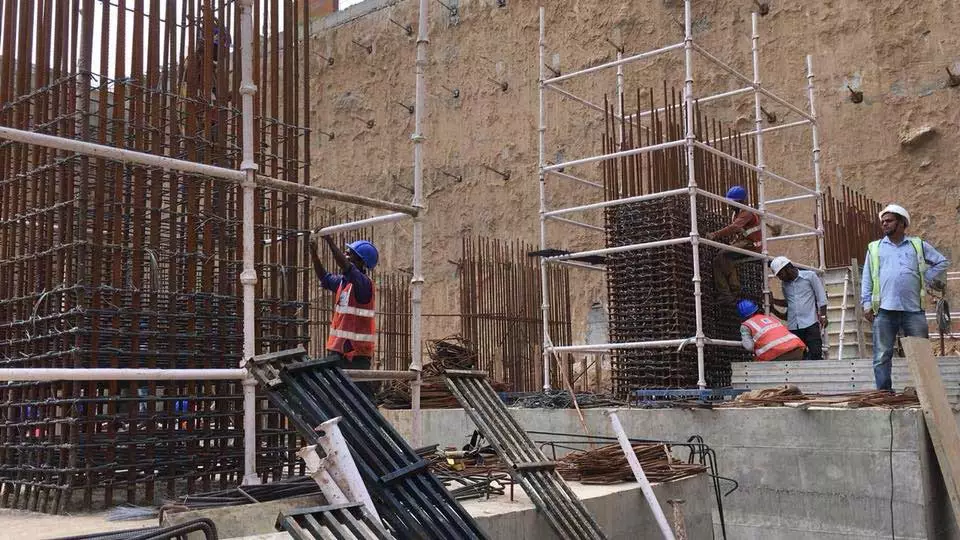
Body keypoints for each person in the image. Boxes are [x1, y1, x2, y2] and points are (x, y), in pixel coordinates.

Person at [861, 204, 949, 391]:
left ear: (902, 223)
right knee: (882, 355)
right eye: (883, 221)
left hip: (913, 310)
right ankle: (884, 394)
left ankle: (927, 394)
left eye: (889, 220)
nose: (884, 224)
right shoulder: (875, 248)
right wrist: (866, 304)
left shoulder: (917, 245)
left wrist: (924, 277)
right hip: (884, 310)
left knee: (921, 354)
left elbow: (942, 261)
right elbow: (867, 277)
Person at [309, 235, 379, 398]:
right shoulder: (343, 282)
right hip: (338, 351)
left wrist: (330, 242)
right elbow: (325, 278)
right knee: (334, 397)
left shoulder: (363, 284)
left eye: (350, 254)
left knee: (358, 399)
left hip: (356, 354)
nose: (346, 256)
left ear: (361, 262)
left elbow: (345, 266)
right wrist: (314, 255)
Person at [704, 185, 762, 304]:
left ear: (740, 202)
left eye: (732, 202)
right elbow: (741, 233)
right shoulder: (736, 214)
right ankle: (726, 293)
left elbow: (735, 227)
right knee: (718, 260)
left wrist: (715, 235)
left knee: (723, 254)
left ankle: (733, 290)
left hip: (753, 245)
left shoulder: (747, 213)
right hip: (745, 243)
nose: (729, 205)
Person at [767, 256, 828, 360]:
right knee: (798, 357)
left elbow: (821, 297)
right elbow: (789, 302)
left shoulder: (810, 276)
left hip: (810, 323)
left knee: (816, 354)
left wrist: (823, 315)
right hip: (793, 327)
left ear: (788, 268)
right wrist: (774, 302)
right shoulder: (785, 285)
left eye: (780, 274)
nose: (780, 278)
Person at [738, 299, 806, 362]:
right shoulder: (769, 318)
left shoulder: (746, 325)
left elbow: (749, 346)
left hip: (778, 353)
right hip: (797, 348)